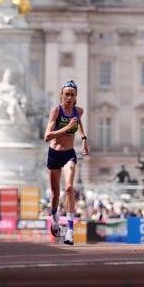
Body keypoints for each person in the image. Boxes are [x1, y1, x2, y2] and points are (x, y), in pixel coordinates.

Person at [44, 80, 89, 245]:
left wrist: (84, 138)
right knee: (56, 194)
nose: (69, 97)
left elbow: (78, 121)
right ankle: (54, 217)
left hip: (69, 154)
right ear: (62, 95)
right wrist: (66, 127)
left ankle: (70, 230)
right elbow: (47, 137)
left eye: (72, 95)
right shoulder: (56, 111)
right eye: (67, 94)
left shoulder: (78, 111)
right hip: (54, 154)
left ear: (76, 97)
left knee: (69, 188)